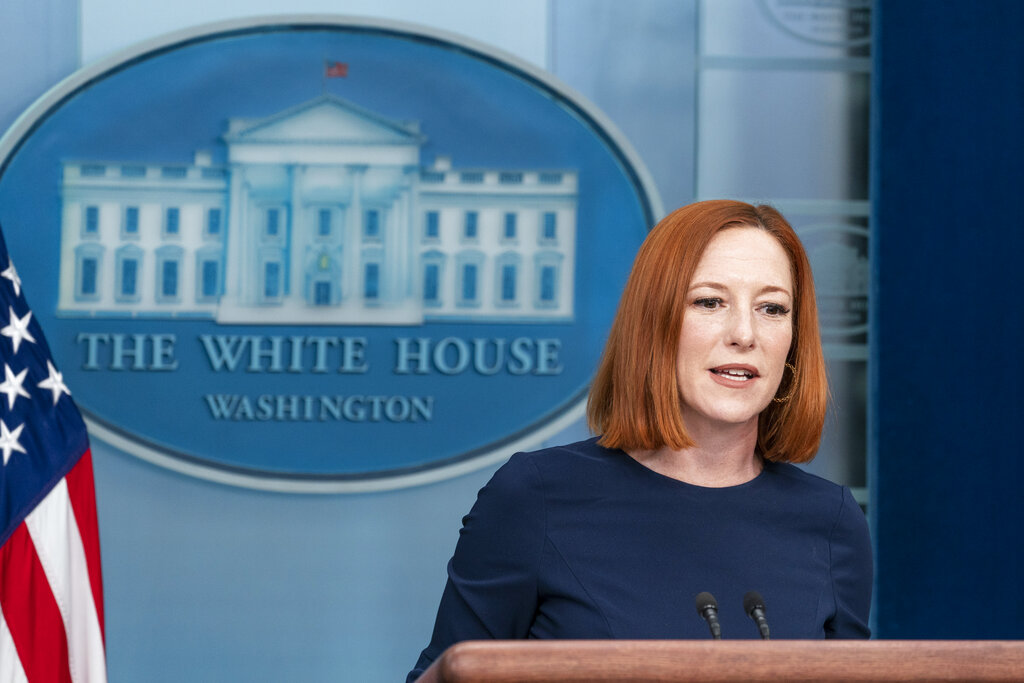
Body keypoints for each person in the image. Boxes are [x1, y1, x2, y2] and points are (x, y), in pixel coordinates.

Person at [407, 200, 872, 681]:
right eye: (710, 302)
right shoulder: (537, 497)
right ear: (654, 323)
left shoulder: (831, 521)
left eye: (772, 308)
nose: (744, 334)